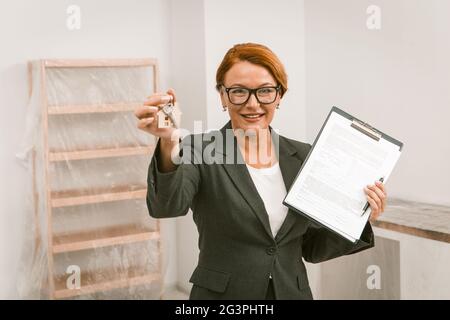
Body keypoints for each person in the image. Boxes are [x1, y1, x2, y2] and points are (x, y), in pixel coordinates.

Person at [134, 43, 387, 300]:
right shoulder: (198, 149)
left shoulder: (303, 155)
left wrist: (359, 217)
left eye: (265, 91)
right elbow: (166, 206)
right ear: (222, 95)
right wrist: (168, 139)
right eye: (239, 91)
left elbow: (311, 248)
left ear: (279, 95)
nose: (253, 104)